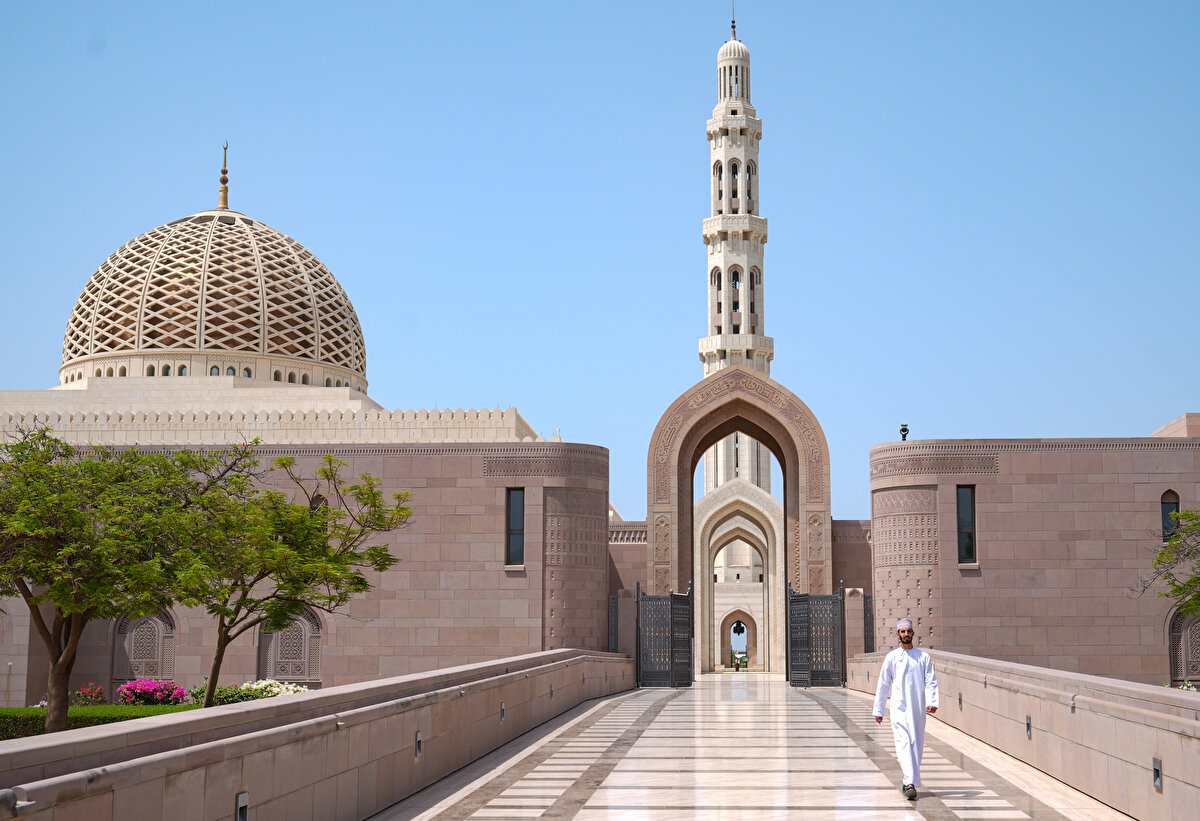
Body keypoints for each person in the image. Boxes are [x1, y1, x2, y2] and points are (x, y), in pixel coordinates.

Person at [873, 618, 938, 800]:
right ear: (898, 634)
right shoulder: (892, 658)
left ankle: (909, 781)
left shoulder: (923, 657)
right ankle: (909, 782)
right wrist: (879, 709)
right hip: (899, 709)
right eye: (903, 632)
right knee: (902, 743)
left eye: (909, 631)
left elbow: (931, 681)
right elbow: (883, 684)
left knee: (916, 744)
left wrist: (932, 701)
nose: (906, 634)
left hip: (917, 709)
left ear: (913, 634)